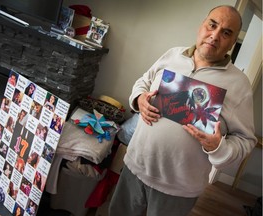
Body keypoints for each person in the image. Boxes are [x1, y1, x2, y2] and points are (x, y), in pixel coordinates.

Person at [109, 5, 257, 216]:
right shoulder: (173, 55)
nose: (214, 36)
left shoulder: (239, 85)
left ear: (233, 42)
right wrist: (139, 98)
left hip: (177, 189)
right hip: (135, 167)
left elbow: (245, 140)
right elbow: (144, 81)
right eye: (212, 25)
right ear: (202, 25)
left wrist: (218, 147)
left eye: (226, 33)